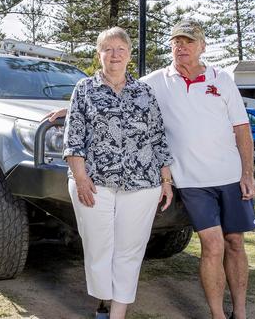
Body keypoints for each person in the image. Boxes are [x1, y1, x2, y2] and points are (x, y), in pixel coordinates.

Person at [140, 20, 255, 319]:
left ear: (202, 46)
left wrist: (247, 174)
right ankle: (218, 315)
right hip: (192, 182)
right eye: (176, 41)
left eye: (189, 42)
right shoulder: (156, 80)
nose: (181, 47)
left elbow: (242, 129)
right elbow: (118, 91)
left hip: (231, 178)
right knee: (213, 244)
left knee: (235, 242)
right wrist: (73, 107)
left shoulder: (224, 80)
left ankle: (240, 312)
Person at [62, 27, 174, 319]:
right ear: (99, 55)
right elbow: (73, 139)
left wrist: (166, 180)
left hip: (142, 184)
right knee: (99, 249)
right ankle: (103, 300)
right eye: (107, 49)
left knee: (129, 252)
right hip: (94, 183)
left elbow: (158, 138)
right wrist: (81, 178)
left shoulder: (144, 92)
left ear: (128, 55)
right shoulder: (84, 89)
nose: (114, 55)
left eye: (120, 49)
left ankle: (117, 314)